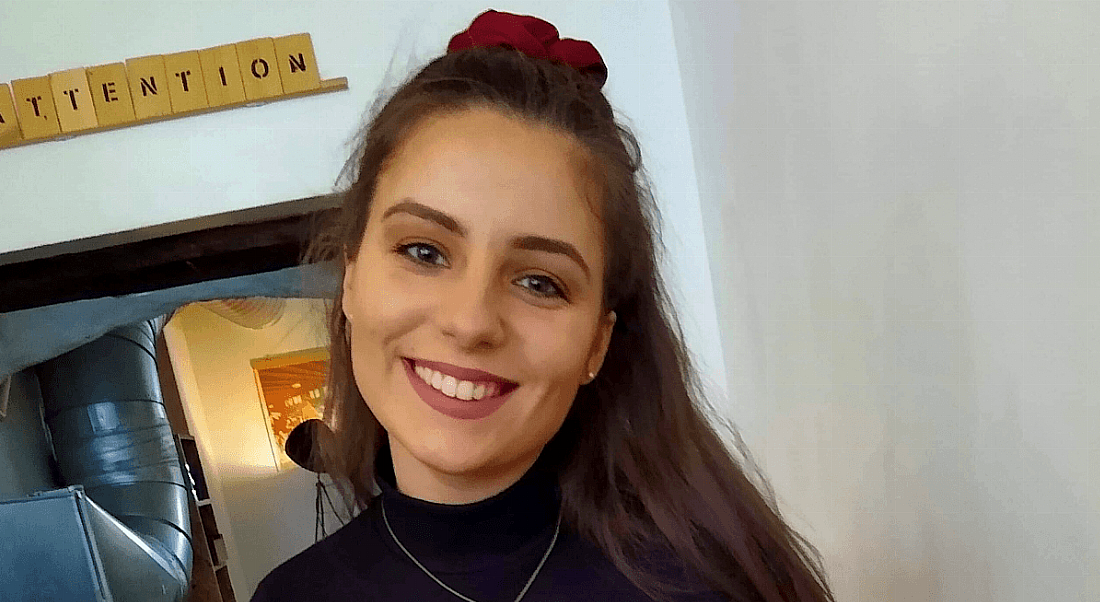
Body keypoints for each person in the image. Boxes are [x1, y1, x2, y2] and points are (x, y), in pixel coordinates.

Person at [251, 9, 834, 602]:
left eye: (539, 283)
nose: (470, 321)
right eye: (424, 250)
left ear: (597, 344)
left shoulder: (713, 586)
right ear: (350, 279)